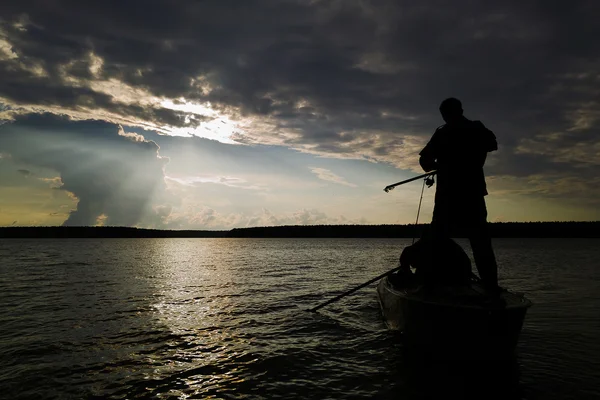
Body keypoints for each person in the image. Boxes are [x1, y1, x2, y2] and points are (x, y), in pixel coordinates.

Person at [418, 98, 500, 293]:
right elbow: (425, 160)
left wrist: (443, 163)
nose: (445, 117)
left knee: (451, 240)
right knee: (477, 243)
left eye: (446, 114)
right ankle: (490, 288)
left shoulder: (452, 131)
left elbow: (425, 161)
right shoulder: (452, 131)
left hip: (458, 196)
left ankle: (429, 287)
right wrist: (440, 165)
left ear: (456, 112)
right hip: (463, 195)